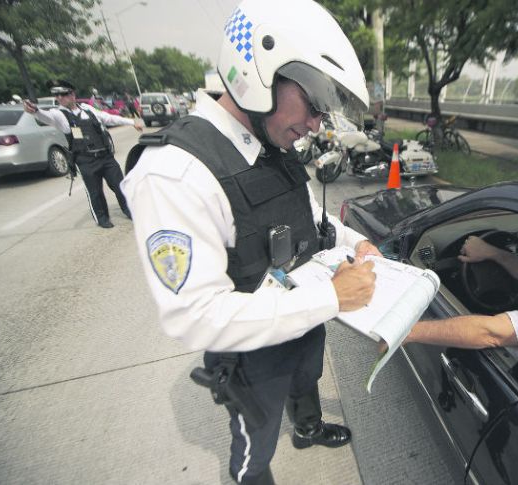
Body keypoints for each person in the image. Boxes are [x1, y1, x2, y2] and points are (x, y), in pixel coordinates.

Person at [120, 1, 381, 483]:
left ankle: (307, 426)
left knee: (307, 379)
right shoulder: (175, 173)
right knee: (253, 450)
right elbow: (196, 317)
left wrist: (357, 241)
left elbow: (310, 216)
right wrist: (331, 297)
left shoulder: (270, 144)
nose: (317, 125)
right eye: (315, 102)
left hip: (303, 315)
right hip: (250, 352)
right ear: (261, 70)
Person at [22, 79, 143, 229]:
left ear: (72, 94)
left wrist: (132, 122)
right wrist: (35, 111)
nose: (60, 98)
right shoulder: (59, 114)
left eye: (63, 94)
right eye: (57, 95)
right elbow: (46, 116)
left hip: (105, 156)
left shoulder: (87, 109)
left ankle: (129, 210)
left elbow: (108, 117)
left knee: (120, 185)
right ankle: (102, 218)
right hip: (86, 160)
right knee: (95, 192)